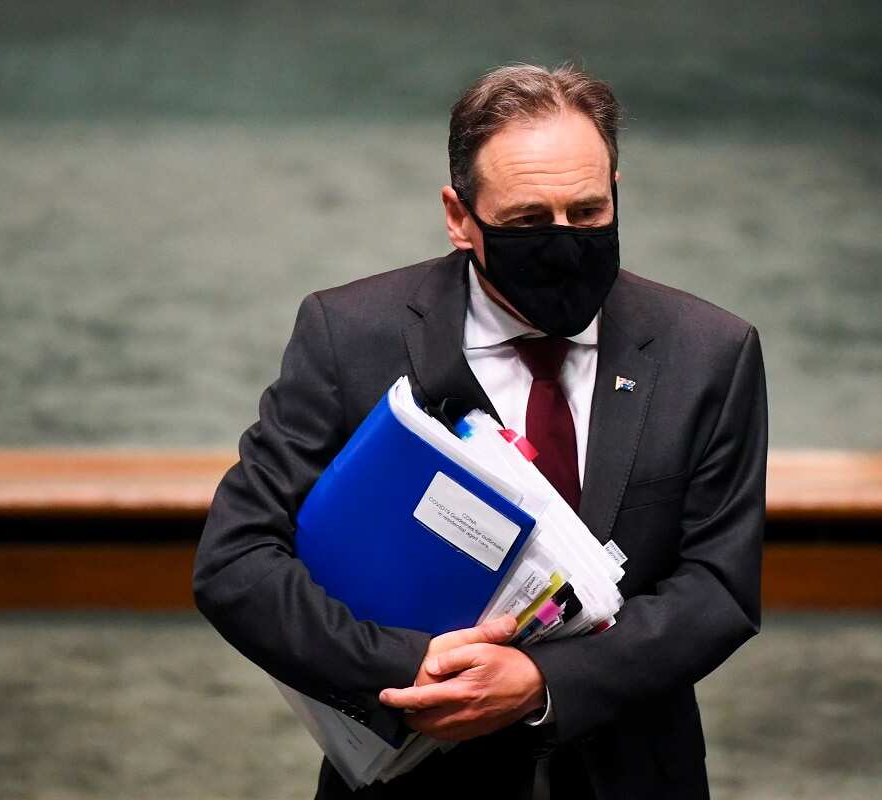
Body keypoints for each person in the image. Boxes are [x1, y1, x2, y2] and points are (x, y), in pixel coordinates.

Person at [193, 63, 767, 799]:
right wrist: (410, 667)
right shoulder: (350, 335)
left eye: (588, 213)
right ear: (460, 216)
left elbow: (719, 588)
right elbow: (235, 562)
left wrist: (540, 682)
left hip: (629, 775)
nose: (563, 242)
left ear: (616, 195)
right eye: (528, 222)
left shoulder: (710, 352)